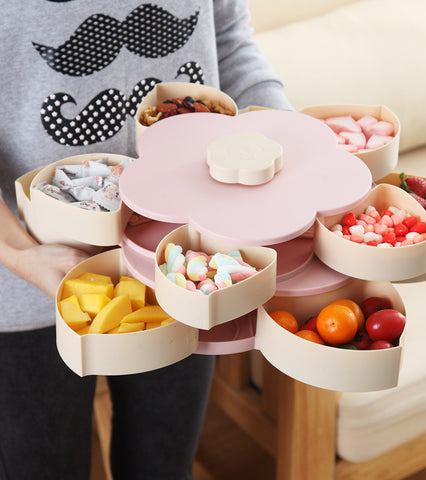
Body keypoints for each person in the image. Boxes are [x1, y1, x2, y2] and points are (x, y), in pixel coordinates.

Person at [0, 1, 292, 479]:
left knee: (164, 467)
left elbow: (229, 38)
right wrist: (17, 252)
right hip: (24, 288)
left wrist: (285, 134)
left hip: (188, 265)